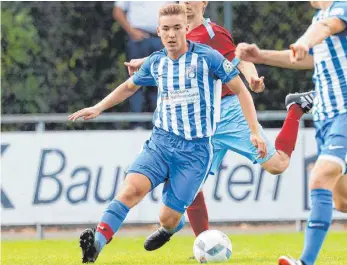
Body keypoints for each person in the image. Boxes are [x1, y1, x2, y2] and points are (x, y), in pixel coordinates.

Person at [69, 4, 266, 263]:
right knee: (131, 190)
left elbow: (240, 90)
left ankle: (172, 227)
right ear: (159, 33)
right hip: (161, 144)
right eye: (166, 29)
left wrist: (254, 131)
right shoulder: (156, 62)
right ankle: (97, 243)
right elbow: (129, 87)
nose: (171, 34)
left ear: (186, 29)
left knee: (168, 218)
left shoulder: (208, 58)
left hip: (195, 152)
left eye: (176, 28)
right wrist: (98, 107)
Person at [125, 1, 315, 245]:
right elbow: (167, 58)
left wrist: (252, 77)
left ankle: (296, 109)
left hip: (228, 113)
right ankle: (204, 244)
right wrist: (144, 62)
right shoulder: (176, 32)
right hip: (200, 120)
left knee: (278, 164)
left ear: (204, 3)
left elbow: (239, 58)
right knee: (190, 184)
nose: (184, 3)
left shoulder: (212, 33)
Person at [236, 1, 347, 265]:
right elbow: (308, 58)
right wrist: (260, 56)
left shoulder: (339, 8)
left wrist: (305, 41)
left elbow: (325, 28)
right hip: (325, 118)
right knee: (342, 200)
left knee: (320, 177)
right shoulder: (319, 17)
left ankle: (305, 262)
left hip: (345, 112)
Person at [113, 1, 171, 125]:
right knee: (135, 82)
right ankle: (136, 125)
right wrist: (131, 31)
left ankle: (159, 125)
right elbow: (117, 11)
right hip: (138, 38)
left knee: (160, 83)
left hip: (161, 39)